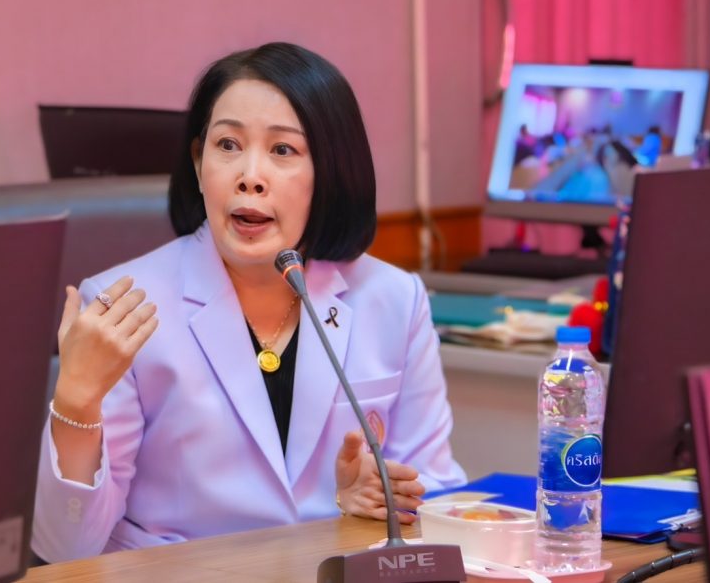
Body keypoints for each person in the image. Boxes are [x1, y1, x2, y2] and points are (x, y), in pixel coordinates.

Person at [32, 42, 466, 562]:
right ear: (199, 163)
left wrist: (375, 505)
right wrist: (76, 403)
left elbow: (440, 501)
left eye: (283, 150)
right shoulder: (123, 307)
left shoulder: (393, 299)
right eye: (228, 145)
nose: (250, 175)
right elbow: (66, 549)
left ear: (330, 172)